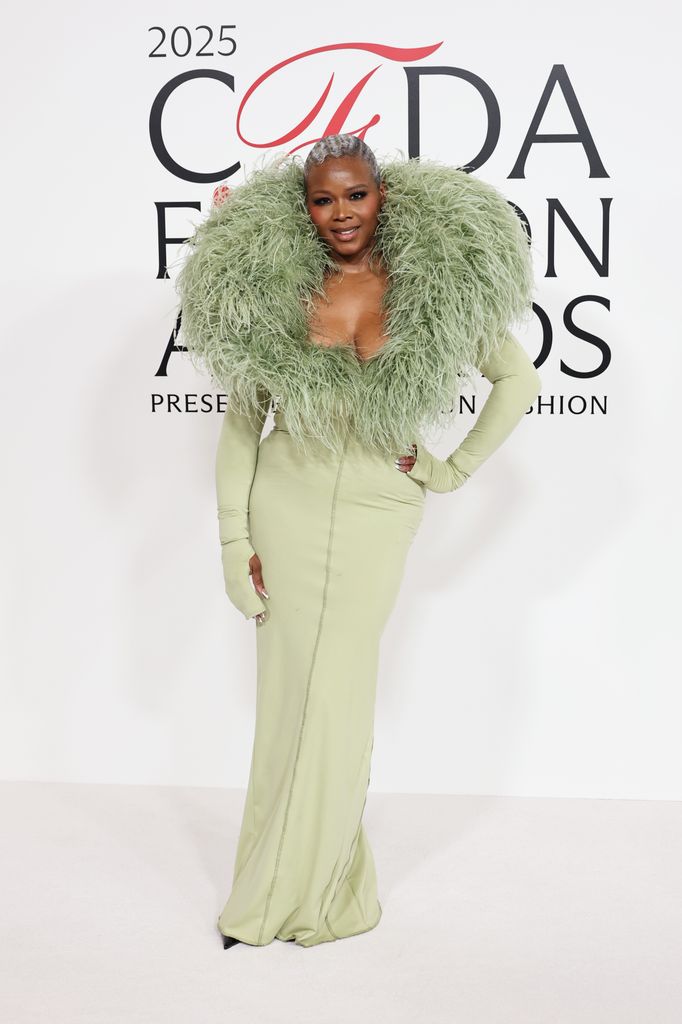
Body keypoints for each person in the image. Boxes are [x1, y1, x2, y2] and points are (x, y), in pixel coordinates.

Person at [175, 133, 542, 949]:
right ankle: (277, 888)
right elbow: (241, 428)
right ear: (303, 208)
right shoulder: (274, 290)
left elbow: (519, 380)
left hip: (381, 508)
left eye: (356, 195)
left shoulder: (435, 289)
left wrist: (451, 470)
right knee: (286, 701)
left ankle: (317, 888)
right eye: (323, 199)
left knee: (338, 698)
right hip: (287, 501)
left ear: (385, 196)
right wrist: (235, 543)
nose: (341, 214)